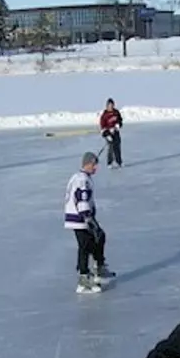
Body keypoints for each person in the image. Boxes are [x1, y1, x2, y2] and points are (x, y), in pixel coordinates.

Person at [64, 151, 115, 293]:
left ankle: (98, 267)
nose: (96, 168)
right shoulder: (82, 180)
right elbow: (82, 199)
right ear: (88, 164)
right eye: (94, 165)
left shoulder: (80, 177)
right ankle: (84, 278)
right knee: (86, 246)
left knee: (98, 238)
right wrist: (88, 218)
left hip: (81, 218)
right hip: (80, 219)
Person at [99, 98, 124, 168]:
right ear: (107, 106)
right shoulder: (104, 115)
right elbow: (102, 127)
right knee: (110, 148)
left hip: (116, 132)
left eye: (112, 105)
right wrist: (107, 135)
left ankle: (119, 162)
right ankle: (109, 163)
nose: (111, 106)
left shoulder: (116, 112)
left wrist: (118, 125)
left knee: (117, 147)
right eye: (109, 105)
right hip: (108, 133)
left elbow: (120, 120)